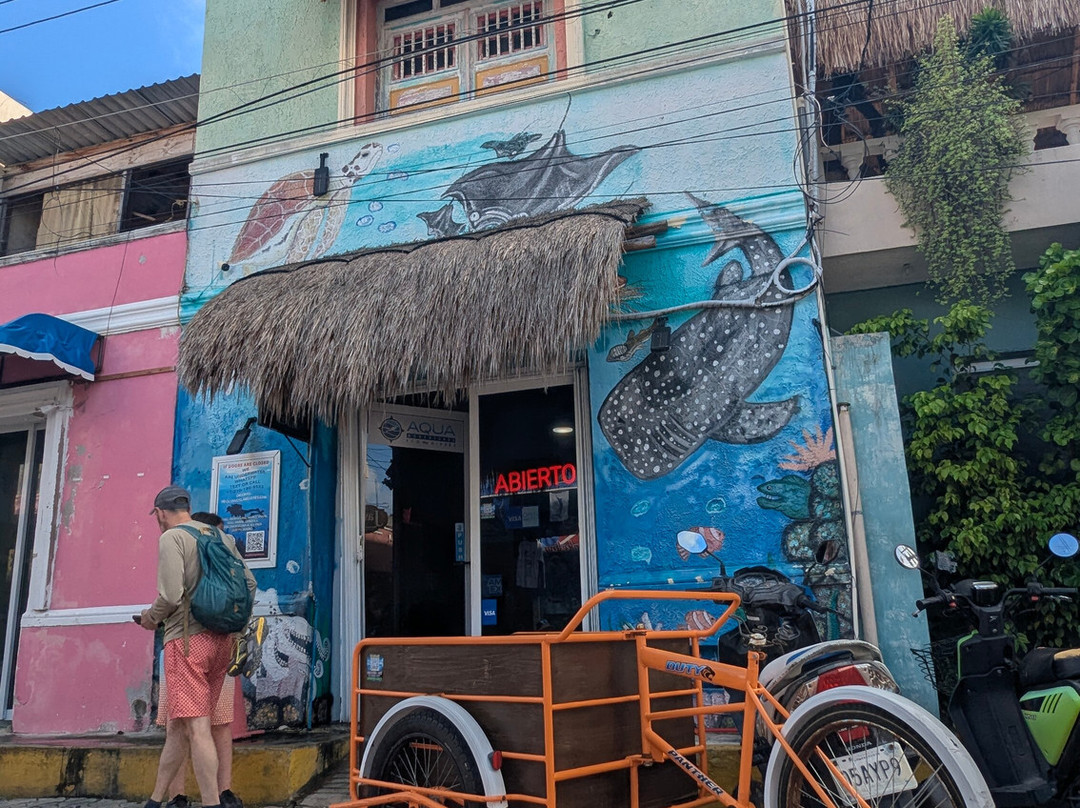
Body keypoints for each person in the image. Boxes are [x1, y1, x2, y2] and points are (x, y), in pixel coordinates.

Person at [139, 488, 255, 808]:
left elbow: (171, 595)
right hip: (222, 642)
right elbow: (250, 584)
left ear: (160, 513)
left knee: (199, 728)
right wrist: (238, 630)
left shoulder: (172, 538)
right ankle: (155, 800)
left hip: (187, 643)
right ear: (187, 507)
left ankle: (211, 803)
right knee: (180, 727)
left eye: (157, 517)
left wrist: (151, 619)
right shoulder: (220, 536)